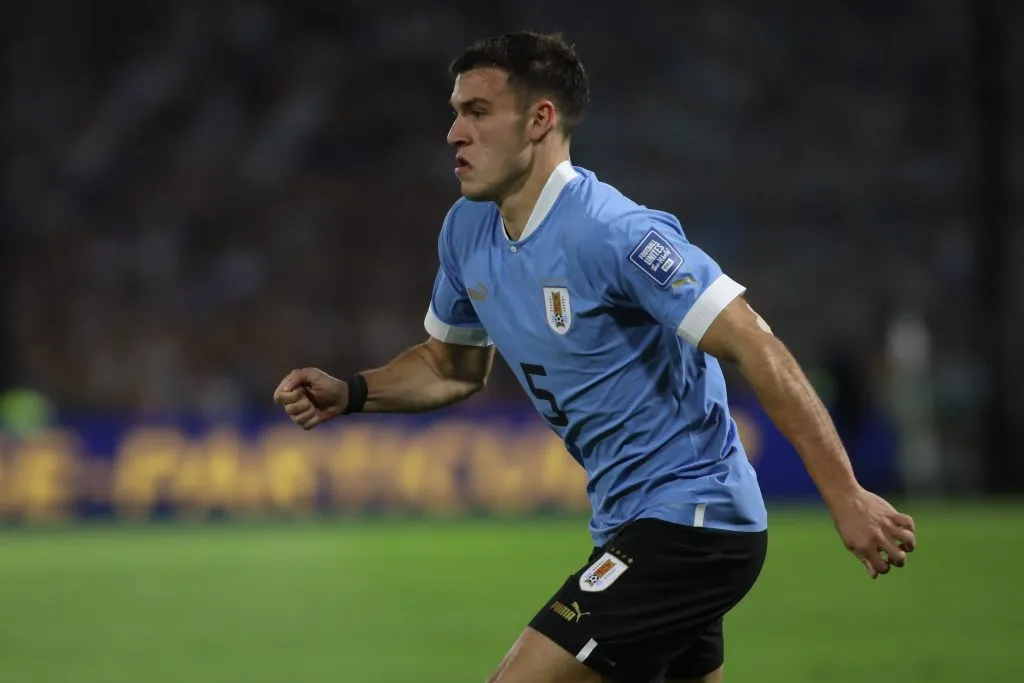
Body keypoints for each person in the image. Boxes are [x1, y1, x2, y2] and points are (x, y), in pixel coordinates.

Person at [273, 31, 917, 683]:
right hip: (629, 524)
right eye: (454, 112)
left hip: (693, 522)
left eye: (476, 112)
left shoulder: (615, 233)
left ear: (539, 120)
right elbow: (450, 367)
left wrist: (846, 495)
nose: (453, 134)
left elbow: (755, 343)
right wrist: (351, 390)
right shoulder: (466, 232)